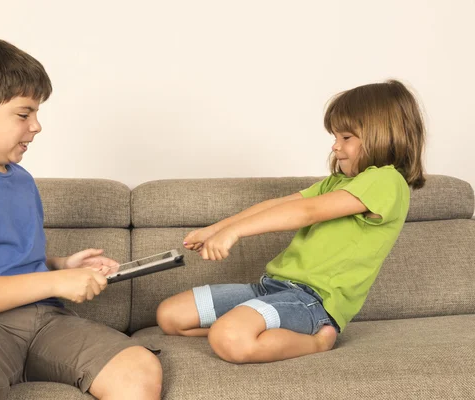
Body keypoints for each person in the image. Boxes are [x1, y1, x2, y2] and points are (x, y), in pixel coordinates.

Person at [0, 32, 162, 400]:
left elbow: (7, 262)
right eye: (24, 114)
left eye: (37, 113)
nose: (36, 125)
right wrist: (56, 283)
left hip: (43, 322)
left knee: (138, 369)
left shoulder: (20, 179)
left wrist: (60, 265)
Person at [157, 79, 426, 364]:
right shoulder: (338, 182)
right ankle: (253, 325)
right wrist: (215, 230)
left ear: (383, 134)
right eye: (335, 137)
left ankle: (317, 342)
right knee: (170, 316)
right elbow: (280, 205)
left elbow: (306, 213)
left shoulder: (386, 181)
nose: (336, 146)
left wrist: (234, 232)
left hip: (311, 302)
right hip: (270, 287)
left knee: (228, 338)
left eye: (346, 137)